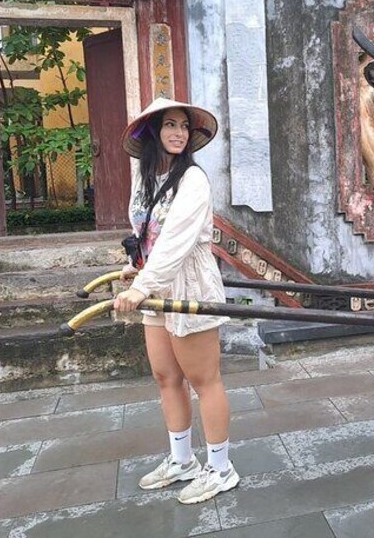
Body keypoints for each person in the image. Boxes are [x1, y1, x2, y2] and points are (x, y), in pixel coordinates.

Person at [114, 97, 239, 504]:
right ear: (153, 132)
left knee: (204, 380)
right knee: (166, 376)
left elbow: (176, 242)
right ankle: (182, 461)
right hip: (156, 284)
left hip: (189, 284)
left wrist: (141, 287)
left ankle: (221, 468)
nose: (179, 133)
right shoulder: (145, 178)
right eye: (170, 125)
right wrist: (136, 268)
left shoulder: (193, 180)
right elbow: (147, 234)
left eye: (184, 126)